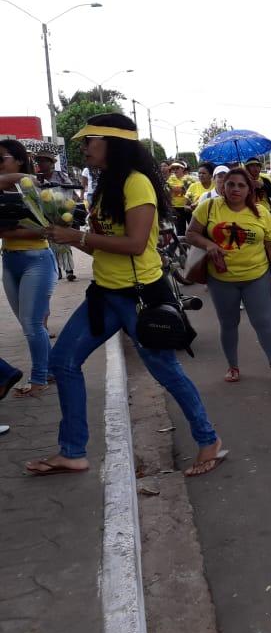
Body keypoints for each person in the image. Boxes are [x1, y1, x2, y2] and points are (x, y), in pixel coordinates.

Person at [29, 113, 225, 477]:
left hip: (139, 297)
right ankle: (72, 451)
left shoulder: (136, 184)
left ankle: (208, 439)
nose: (84, 147)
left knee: (167, 372)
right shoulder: (105, 185)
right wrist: (65, 236)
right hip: (104, 294)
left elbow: (135, 245)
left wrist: (79, 238)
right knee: (62, 363)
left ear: (112, 143)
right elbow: (105, 248)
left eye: (90, 141)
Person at [186, 168, 271, 384]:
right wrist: (209, 245)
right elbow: (191, 234)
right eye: (230, 184)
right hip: (221, 279)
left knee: (263, 322)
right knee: (229, 323)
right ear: (223, 186)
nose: (235, 189)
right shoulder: (209, 207)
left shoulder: (261, 213)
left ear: (249, 189)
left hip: (257, 276)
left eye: (241, 185)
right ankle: (232, 367)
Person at [0, 140, 57, 397]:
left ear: (19, 159)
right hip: (10, 260)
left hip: (37, 259)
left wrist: (12, 229)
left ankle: (39, 379)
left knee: (33, 323)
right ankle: (51, 369)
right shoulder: (8, 188)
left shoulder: (33, 189)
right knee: (29, 325)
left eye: (2, 158)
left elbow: (48, 230)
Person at [33, 149, 78, 282]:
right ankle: (56, 269)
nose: (41, 164)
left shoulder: (61, 176)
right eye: (39, 161)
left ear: (51, 163)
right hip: (46, 213)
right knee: (51, 242)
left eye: (44, 161)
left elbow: (70, 190)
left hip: (62, 211)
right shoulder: (37, 178)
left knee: (65, 241)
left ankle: (69, 270)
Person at [166, 160, 192, 235]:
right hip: (176, 208)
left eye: (177, 168)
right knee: (180, 230)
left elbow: (192, 193)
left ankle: (192, 244)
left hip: (188, 207)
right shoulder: (170, 179)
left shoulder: (189, 179)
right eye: (173, 169)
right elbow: (168, 191)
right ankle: (183, 246)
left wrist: (185, 189)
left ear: (183, 169)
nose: (175, 170)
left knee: (192, 229)